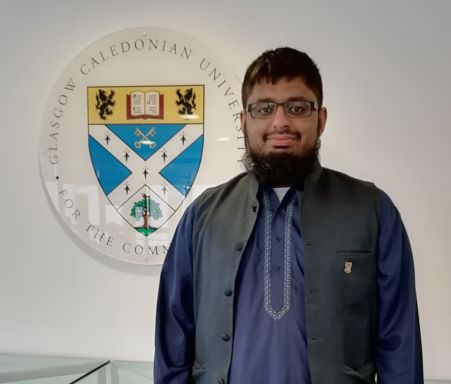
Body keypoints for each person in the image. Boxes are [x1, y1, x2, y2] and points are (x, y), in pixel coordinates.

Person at [154, 47, 423, 383]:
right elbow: (173, 337)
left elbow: (399, 345)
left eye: (297, 107)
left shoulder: (371, 210)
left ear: (320, 119)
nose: (280, 121)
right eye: (264, 108)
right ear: (243, 121)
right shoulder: (204, 215)